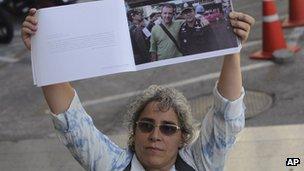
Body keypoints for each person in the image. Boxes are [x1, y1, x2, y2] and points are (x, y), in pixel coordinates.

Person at [22, 8, 255, 171]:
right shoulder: (114, 166)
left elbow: (227, 117)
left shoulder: (200, 164)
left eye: (168, 128)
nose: (155, 135)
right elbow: (73, 125)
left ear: (183, 137)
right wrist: (43, 50)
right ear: (134, 131)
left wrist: (232, 49)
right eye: (146, 125)